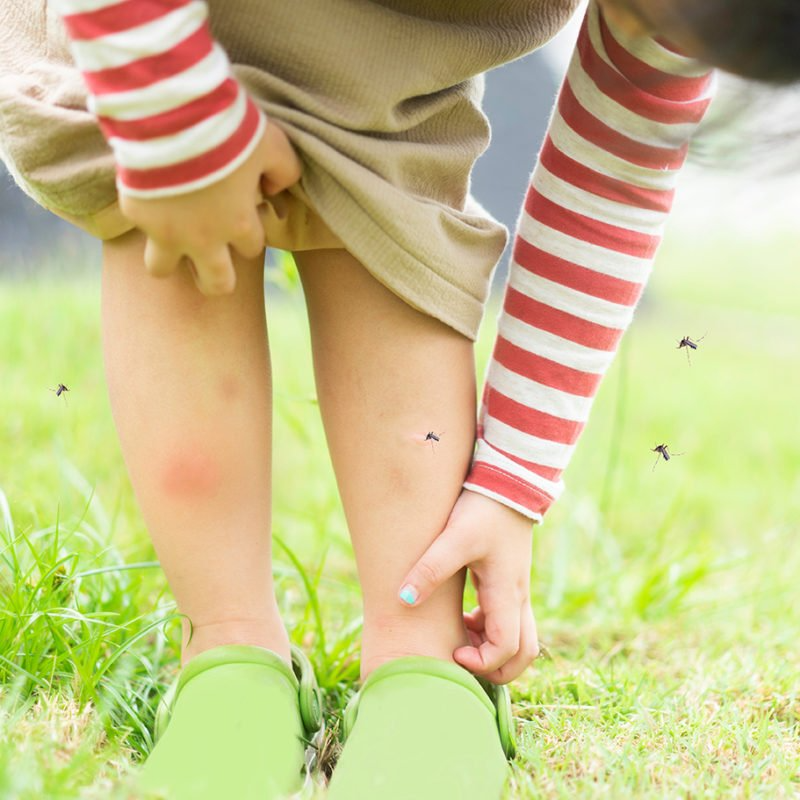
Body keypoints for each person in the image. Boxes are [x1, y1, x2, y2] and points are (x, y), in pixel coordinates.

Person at [0, 0, 797, 797]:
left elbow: (614, 167)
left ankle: (421, 659)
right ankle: (228, 642)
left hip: (398, 57)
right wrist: (169, 119)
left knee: (395, 223)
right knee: (172, 236)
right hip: (145, 31)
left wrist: (513, 477)